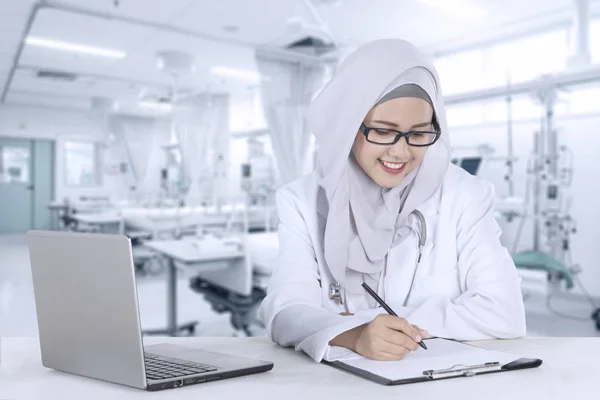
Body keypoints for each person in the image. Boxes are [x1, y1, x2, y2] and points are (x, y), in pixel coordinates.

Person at [258, 39, 526, 363]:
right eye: (384, 131)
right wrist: (357, 337)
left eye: (419, 133)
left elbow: (505, 311)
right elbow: (283, 312)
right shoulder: (300, 202)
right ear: (347, 125)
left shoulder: (465, 196)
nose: (400, 152)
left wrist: (368, 327)